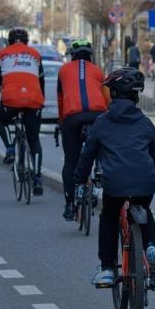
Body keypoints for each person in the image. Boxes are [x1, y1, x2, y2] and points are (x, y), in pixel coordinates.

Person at [73, 67, 155, 287]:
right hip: (146, 180)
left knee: (109, 216)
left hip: (115, 182)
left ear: (114, 94)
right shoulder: (145, 122)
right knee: (144, 210)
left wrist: (79, 179)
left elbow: (87, 155)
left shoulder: (102, 122)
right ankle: (150, 246)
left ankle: (108, 268)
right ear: (136, 96)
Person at [57, 39, 111, 220]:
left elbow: (60, 99)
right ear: (90, 55)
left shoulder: (63, 70)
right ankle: (99, 169)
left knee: (70, 161)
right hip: (97, 115)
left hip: (72, 117)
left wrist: (61, 120)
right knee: (99, 148)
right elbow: (107, 99)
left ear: (72, 55)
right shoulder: (98, 70)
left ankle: (69, 204)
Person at [0, 28, 45, 196]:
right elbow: (41, 82)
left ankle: (9, 148)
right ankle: (37, 177)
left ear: (8, 41)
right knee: (34, 139)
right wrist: (39, 103)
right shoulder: (35, 54)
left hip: (11, 100)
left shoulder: (1, 54)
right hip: (34, 100)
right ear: (27, 41)